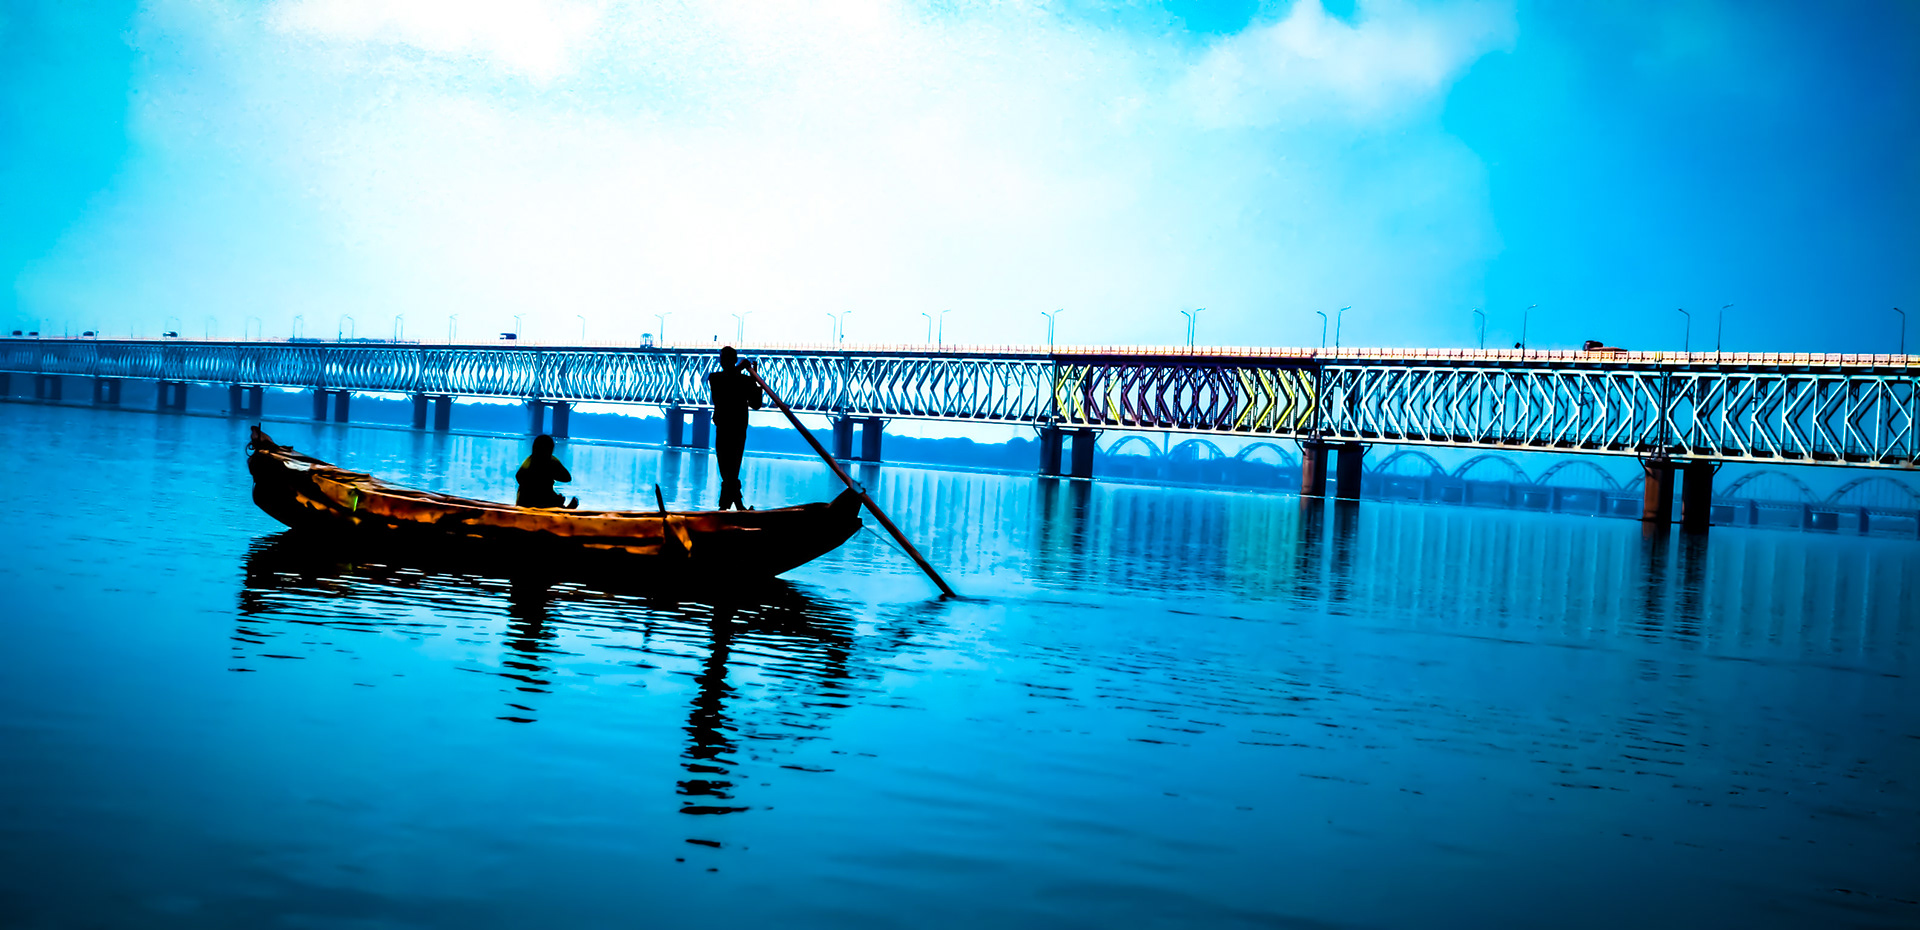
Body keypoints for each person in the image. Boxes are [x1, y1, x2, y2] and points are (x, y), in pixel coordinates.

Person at [707, 345, 763, 510]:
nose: (723, 362)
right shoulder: (715, 378)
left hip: (737, 431)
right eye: (723, 359)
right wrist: (743, 370)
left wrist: (755, 382)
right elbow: (727, 379)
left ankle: (726, 508)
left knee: (730, 471)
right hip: (724, 428)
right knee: (728, 471)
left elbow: (756, 405)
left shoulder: (745, 380)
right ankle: (737, 507)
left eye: (725, 358)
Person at [516, 434, 578, 509]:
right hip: (537, 502)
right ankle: (560, 507)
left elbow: (518, 476)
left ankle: (558, 505)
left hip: (524, 503)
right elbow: (566, 478)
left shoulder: (529, 460)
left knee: (545, 488)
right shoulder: (551, 461)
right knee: (544, 488)